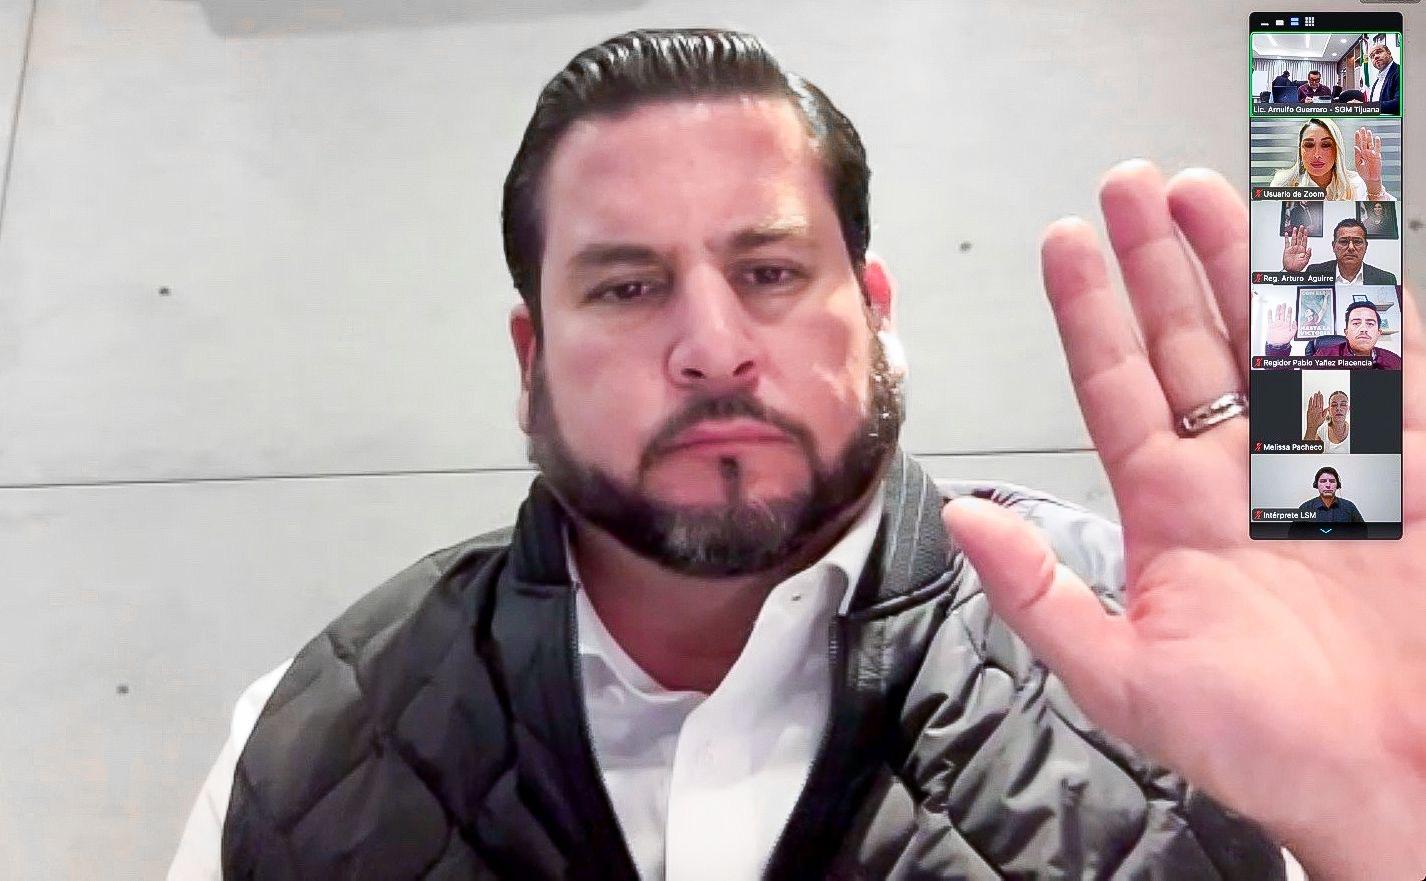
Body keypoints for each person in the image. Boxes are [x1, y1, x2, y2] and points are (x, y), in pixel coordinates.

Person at [170, 29, 1426, 881]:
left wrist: (1384, 813)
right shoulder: (305, 748)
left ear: (875, 311)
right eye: (626, 287)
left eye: (769, 271)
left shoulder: (1198, 667)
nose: (713, 347)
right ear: (529, 356)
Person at [1268, 117, 1394, 201]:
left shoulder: (1357, 183)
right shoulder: (1282, 183)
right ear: (1300, 151)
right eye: (1309, 145)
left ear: (1337, 149)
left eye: (1326, 145)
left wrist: (1373, 184)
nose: (1317, 154)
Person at [1265, 299, 1402, 369]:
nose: (1363, 329)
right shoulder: (1324, 355)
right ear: (1346, 332)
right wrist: (1277, 349)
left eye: (1370, 324)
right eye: (1356, 323)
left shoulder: (1394, 360)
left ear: (1379, 333)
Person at [1282, 218, 1397, 284]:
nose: (1351, 247)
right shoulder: (1314, 272)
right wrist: (1290, 272)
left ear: (1366, 247)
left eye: (1357, 242)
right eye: (1343, 241)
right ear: (1334, 246)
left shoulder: (1386, 279)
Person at [1297, 466, 1365, 523]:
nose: (1328, 485)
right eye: (1323, 481)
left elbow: (1363, 532)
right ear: (1316, 484)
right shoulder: (1305, 508)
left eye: (1332, 481)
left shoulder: (1349, 507)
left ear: (1337, 485)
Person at [1367, 41, 1400, 115]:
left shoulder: (1400, 72)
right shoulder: (1378, 79)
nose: (1375, 57)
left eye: (1379, 52)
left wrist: (1365, 106)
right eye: (1372, 56)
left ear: (1389, 53)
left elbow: (1399, 103)